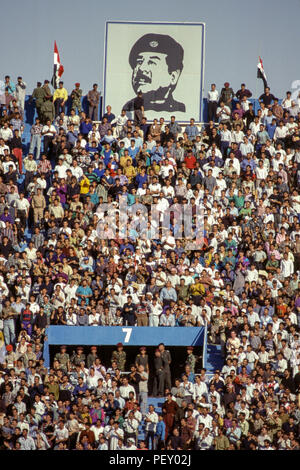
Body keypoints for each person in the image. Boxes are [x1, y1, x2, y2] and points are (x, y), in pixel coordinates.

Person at [123, 33, 185, 112]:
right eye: (139, 62)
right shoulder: (128, 108)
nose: (141, 68)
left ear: (173, 76)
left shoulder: (179, 109)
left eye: (152, 62)